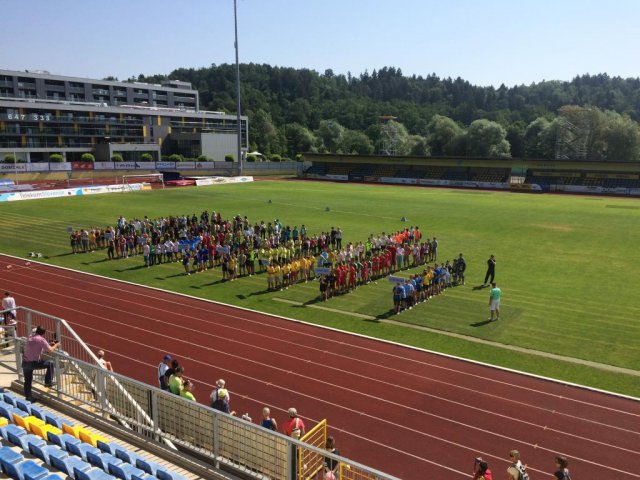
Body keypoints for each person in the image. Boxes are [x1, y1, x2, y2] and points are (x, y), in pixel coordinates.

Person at [22, 326, 60, 402]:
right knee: (50, 364)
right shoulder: (41, 339)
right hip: (33, 363)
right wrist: (56, 345)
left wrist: (49, 344)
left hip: (25, 362)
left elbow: (37, 346)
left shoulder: (30, 337)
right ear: (43, 333)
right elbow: (50, 350)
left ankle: (28, 397)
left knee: (27, 381)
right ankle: (48, 382)